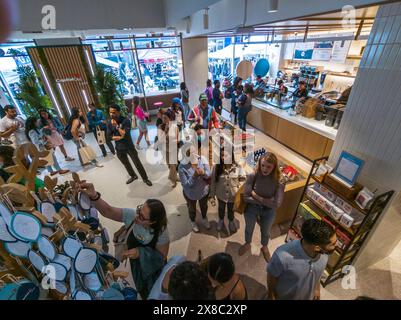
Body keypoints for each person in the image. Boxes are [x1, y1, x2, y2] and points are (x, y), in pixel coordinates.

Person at [77, 181, 169, 299]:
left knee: (150, 291)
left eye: (142, 217)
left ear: (152, 222)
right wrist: (94, 195)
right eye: (139, 210)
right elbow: (108, 211)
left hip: (151, 271)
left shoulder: (161, 232)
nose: (137, 216)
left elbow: (161, 258)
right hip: (132, 267)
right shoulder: (132, 216)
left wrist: (140, 253)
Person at [266, 219, 336, 300]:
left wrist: (317, 288)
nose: (336, 245)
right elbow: (272, 275)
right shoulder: (282, 256)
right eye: (333, 244)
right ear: (317, 247)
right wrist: (271, 295)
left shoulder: (324, 254)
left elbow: (317, 273)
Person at [239, 152, 285, 262]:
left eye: (268, 166)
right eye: (262, 165)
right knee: (249, 228)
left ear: (274, 167)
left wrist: (256, 196)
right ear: (259, 164)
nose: (264, 169)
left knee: (266, 231)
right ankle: (247, 243)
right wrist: (267, 201)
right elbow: (245, 197)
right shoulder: (253, 175)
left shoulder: (280, 180)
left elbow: (276, 204)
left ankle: (264, 246)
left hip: (268, 211)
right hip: (251, 208)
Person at [107, 104, 152, 186]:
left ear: (118, 112)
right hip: (119, 148)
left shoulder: (125, 120)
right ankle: (133, 176)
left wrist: (116, 127)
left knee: (137, 163)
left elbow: (125, 134)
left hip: (129, 146)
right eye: (110, 112)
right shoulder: (109, 122)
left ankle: (145, 179)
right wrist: (120, 137)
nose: (111, 114)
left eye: (113, 112)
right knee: (126, 163)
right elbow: (109, 136)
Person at [209, 149, 246, 234]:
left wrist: (238, 188)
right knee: (221, 208)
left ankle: (231, 220)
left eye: (226, 155)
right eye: (222, 155)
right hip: (221, 195)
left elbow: (243, 179)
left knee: (231, 209)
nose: (224, 158)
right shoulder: (216, 167)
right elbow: (213, 182)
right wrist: (212, 196)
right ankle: (221, 220)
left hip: (232, 195)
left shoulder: (238, 167)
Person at [178, 145, 211, 233]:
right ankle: (192, 221)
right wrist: (194, 176)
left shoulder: (202, 159)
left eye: (194, 152)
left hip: (203, 191)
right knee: (192, 209)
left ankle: (204, 218)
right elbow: (186, 185)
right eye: (190, 154)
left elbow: (208, 174)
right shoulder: (182, 167)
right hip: (191, 194)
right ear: (185, 155)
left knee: (204, 206)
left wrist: (203, 173)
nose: (194, 155)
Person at [159, 110, 180, 188]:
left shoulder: (175, 127)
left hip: (174, 149)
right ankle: (175, 177)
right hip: (165, 149)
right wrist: (165, 130)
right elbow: (160, 139)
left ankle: (173, 179)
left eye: (165, 118)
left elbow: (178, 140)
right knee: (169, 165)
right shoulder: (161, 126)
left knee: (173, 165)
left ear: (170, 118)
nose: (163, 120)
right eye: (162, 118)